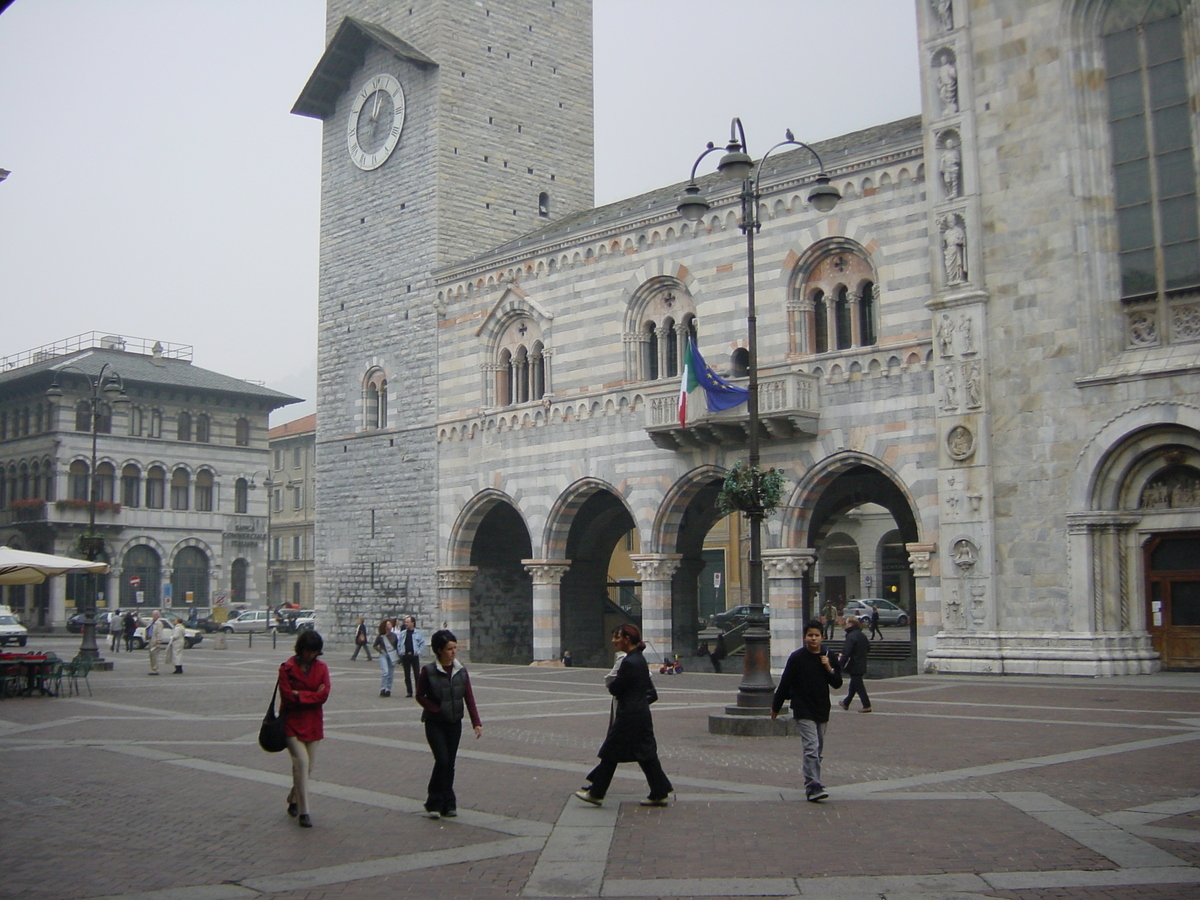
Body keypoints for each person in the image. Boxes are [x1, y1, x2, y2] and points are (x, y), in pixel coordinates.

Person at [574, 623, 673, 808]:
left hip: (628, 715)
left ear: (627, 639)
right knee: (646, 753)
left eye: (617, 637)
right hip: (641, 713)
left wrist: (613, 685)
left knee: (610, 753)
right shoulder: (640, 659)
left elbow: (616, 687)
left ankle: (596, 793)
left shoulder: (628, 662)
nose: (614, 641)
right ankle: (659, 791)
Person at [771, 620, 843, 802]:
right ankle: (813, 785)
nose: (813, 639)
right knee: (811, 747)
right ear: (805, 637)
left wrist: (828, 667)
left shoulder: (827, 655)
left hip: (822, 707)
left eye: (816, 635)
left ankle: (815, 781)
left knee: (818, 749)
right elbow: (785, 683)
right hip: (803, 708)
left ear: (822, 637)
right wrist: (776, 707)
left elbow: (837, 683)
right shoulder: (797, 658)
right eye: (810, 635)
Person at [414, 629, 482, 819]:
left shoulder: (461, 670)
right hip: (434, 722)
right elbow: (419, 695)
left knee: (449, 763)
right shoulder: (428, 671)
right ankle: (437, 799)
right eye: (449, 649)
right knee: (442, 760)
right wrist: (435, 709)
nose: (453, 652)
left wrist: (476, 722)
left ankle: (445, 804)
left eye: (455, 648)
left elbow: (468, 696)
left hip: (454, 722)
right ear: (438, 650)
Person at [279, 629, 330, 828]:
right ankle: (304, 811)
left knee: (307, 768)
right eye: (308, 651)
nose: (311, 655)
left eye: (314, 652)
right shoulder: (286, 668)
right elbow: (288, 698)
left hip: (313, 722)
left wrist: (300, 694)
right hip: (292, 722)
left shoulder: (322, 667)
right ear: (301, 649)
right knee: (301, 762)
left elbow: (324, 695)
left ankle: (293, 797)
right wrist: (310, 695)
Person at [838, 615, 872, 713]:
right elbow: (868, 649)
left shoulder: (851, 636)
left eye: (847, 623)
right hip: (861, 662)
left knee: (859, 686)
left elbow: (846, 652)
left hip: (854, 664)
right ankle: (846, 702)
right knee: (853, 685)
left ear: (851, 624)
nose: (845, 625)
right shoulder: (862, 635)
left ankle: (867, 705)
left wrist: (840, 664)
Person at [398, 615, 426, 698]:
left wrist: (419, 652)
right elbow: (399, 644)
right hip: (405, 655)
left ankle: (418, 691)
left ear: (412, 623)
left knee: (417, 674)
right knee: (407, 675)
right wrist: (401, 652)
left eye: (408, 622)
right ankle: (409, 691)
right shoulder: (403, 633)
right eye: (405, 622)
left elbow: (422, 643)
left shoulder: (418, 633)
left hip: (414, 655)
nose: (406, 623)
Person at [372, 618, 399, 697]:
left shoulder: (394, 636)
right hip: (383, 655)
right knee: (385, 672)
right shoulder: (381, 636)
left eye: (390, 624)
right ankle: (383, 687)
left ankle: (388, 689)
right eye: (388, 624)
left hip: (392, 655)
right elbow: (375, 645)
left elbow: (397, 646)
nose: (389, 626)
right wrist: (380, 650)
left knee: (390, 673)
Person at [146, 610, 167, 675]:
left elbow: (159, 633)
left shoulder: (159, 623)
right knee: (151, 656)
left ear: (158, 615)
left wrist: (158, 642)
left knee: (154, 656)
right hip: (150, 640)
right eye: (153, 615)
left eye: (155, 615)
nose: (153, 616)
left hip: (155, 641)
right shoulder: (151, 622)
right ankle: (153, 668)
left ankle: (155, 669)